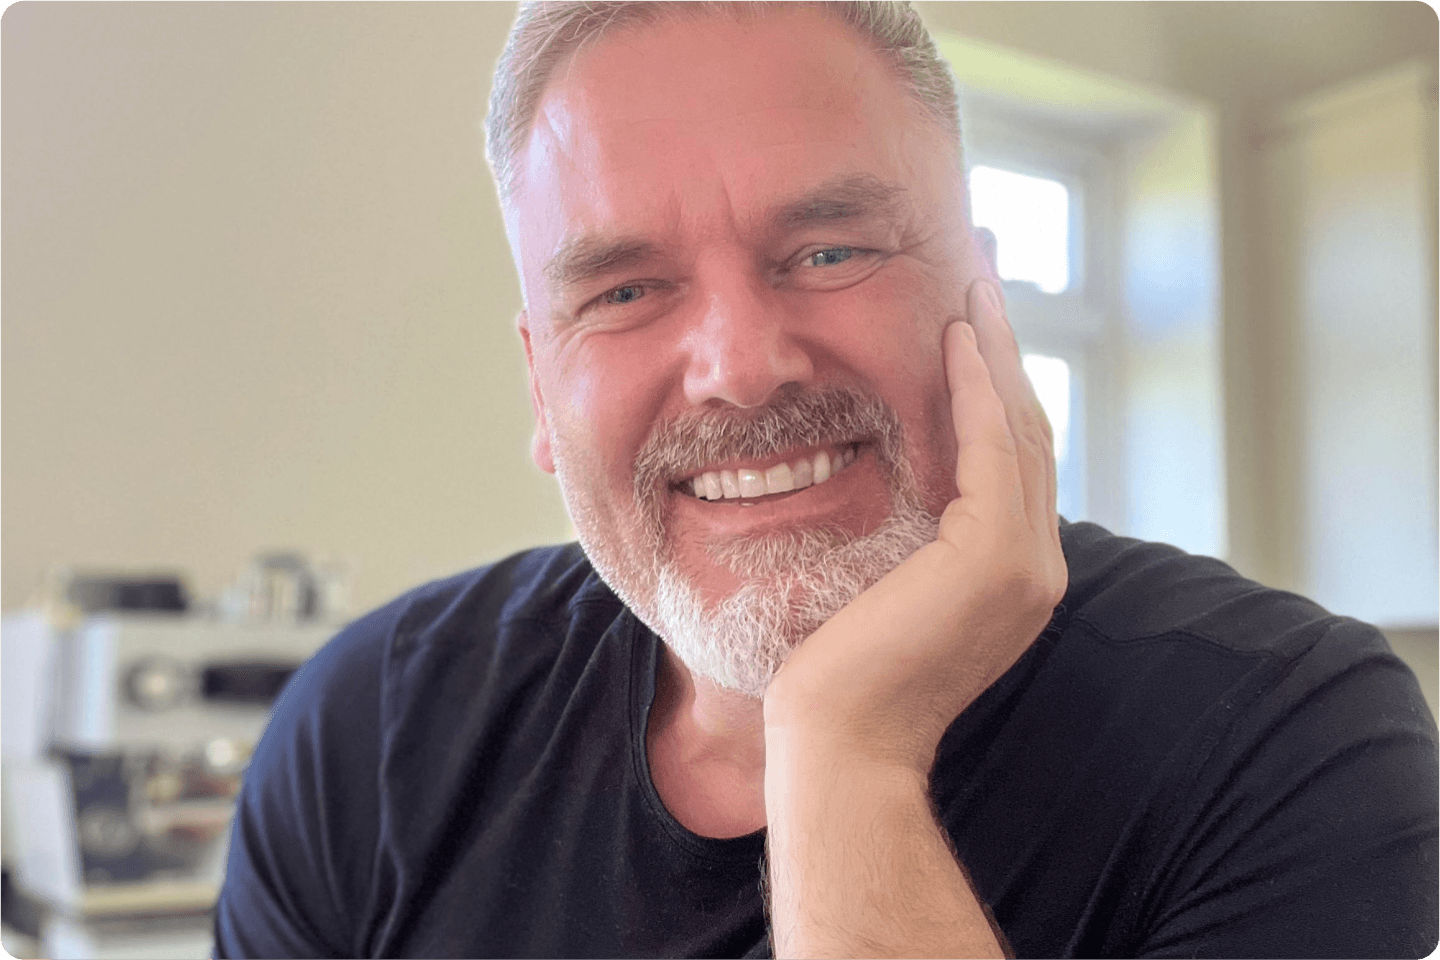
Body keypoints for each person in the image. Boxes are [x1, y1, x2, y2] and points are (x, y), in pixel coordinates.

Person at [213, 2, 1439, 957]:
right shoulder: (365, 738)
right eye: (626, 291)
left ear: (984, 299)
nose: (742, 369)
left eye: (832, 248)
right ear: (543, 389)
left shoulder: (1292, 739)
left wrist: (845, 751)